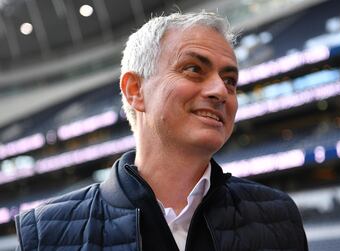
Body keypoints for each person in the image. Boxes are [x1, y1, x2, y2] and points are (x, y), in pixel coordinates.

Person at [15, 11, 308, 251]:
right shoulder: (44, 234)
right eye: (194, 69)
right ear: (135, 91)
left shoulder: (278, 217)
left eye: (230, 80)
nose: (222, 91)